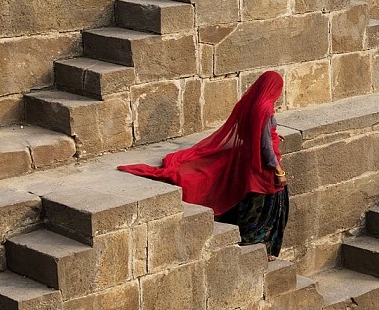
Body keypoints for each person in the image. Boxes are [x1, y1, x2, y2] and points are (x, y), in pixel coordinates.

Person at [119, 71, 289, 257]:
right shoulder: (264, 109)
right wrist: (278, 170)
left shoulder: (253, 103)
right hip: (262, 168)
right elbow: (265, 147)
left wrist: (272, 135)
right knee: (267, 207)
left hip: (249, 159)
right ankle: (260, 244)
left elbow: (250, 133)